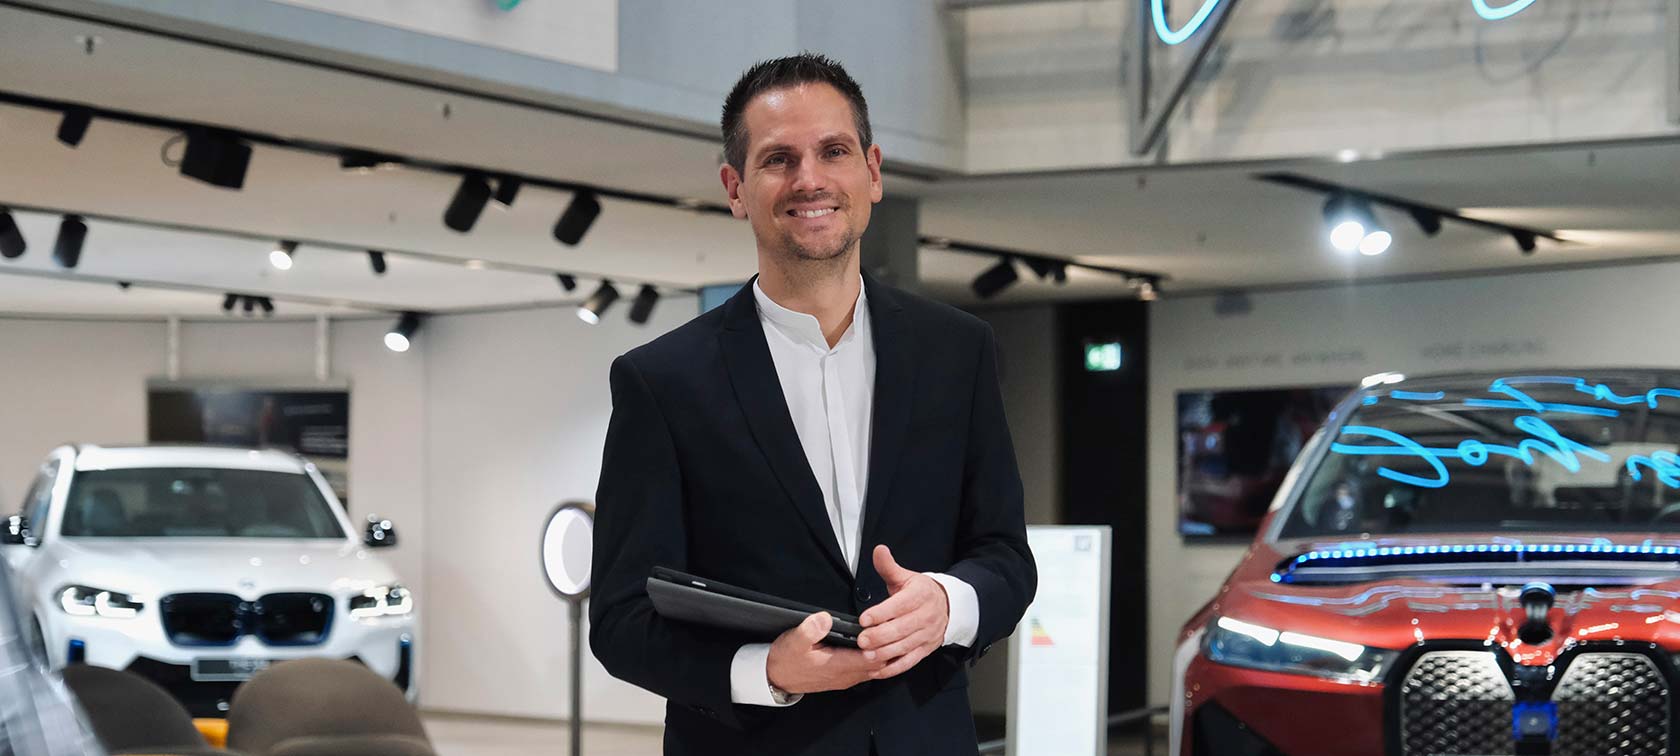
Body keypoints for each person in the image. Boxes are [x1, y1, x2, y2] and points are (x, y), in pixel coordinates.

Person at [590, 53, 1037, 756]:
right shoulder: (662, 381)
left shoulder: (957, 351)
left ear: (873, 171)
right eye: (778, 159)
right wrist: (763, 670)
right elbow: (620, 620)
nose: (810, 179)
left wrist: (950, 605)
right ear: (736, 188)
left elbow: (1006, 556)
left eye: (833, 151)